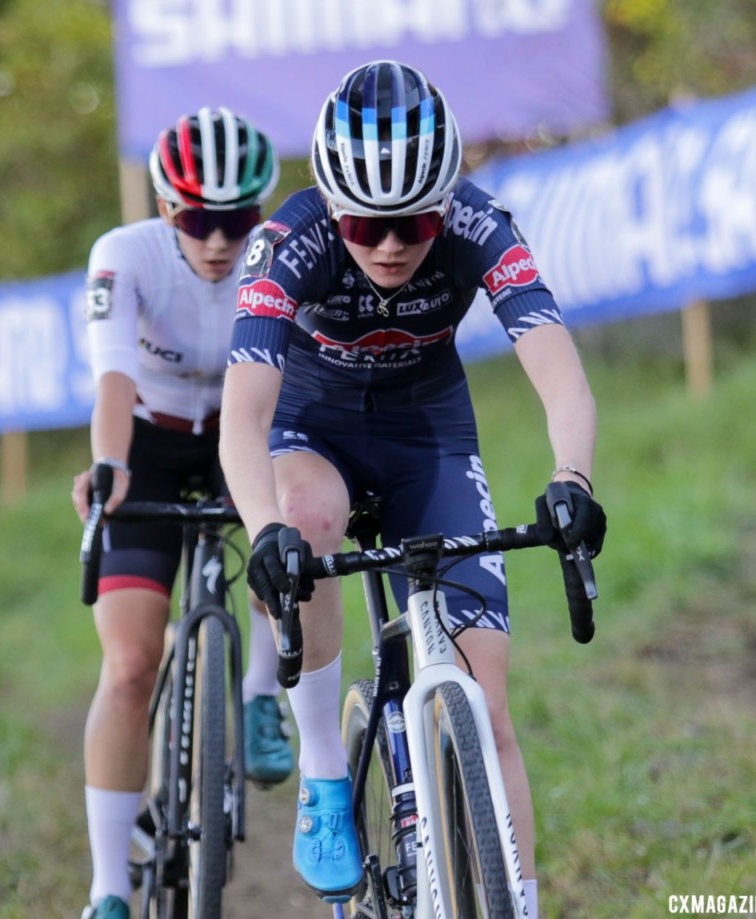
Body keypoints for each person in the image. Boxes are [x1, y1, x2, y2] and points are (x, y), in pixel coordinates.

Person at [218, 61, 608, 917]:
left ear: (445, 201)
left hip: (427, 438)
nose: (390, 245)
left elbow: (560, 375)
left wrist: (570, 480)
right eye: (365, 224)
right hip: (311, 432)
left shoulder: (480, 223)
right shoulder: (289, 242)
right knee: (307, 515)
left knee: (490, 704)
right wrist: (267, 529)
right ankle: (325, 769)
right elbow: (241, 416)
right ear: (331, 204)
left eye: (414, 222)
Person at [69, 106, 294, 919]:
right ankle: (107, 885)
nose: (218, 240)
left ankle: (262, 694)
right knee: (129, 667)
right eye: (198, 218)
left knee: (287, 522)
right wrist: (110, 465)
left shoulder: (276, 256)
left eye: (237, 219)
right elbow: (113, 376)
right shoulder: (122, 256)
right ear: (166, 206)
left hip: (244, 430)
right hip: (150, 440)